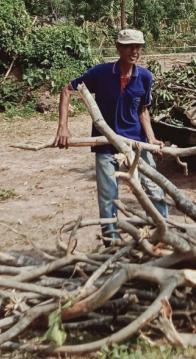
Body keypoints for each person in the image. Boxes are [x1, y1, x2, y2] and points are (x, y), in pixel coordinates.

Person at [53, 29, 168, 243]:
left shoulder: (144, 77)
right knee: (108, 196)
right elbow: (67, 89)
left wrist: (150, 138)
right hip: (105, 143)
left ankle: (162, 234)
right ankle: (111, 242)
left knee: (154, 187)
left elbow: (143, 110)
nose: (134, 51)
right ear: (118, 47)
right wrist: (63, 127)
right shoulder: (101, 73)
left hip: (136, 143)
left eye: (138, 46)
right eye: (129, 46)